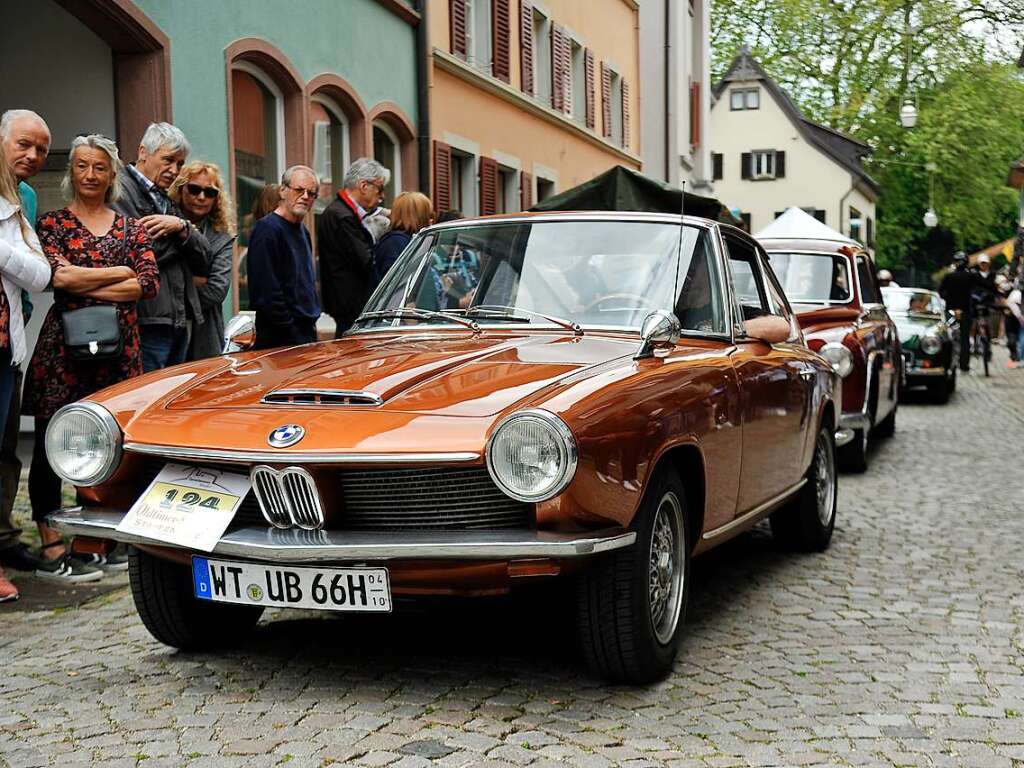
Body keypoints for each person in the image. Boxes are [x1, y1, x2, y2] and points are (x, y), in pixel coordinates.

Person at [26, 135, 158, 583]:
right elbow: (56, 277)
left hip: (120, 352)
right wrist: (118, 273)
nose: (89, 175)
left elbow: (146, 285)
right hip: (62, 350)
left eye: (98, 167)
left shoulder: (130, 227)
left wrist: (87, 281)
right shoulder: (53, 223)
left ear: (111, 174)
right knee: (54, 441)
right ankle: (52, 542)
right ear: (71, 172)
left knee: (115, 444)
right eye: (81, 166)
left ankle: (99, 538)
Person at [114, 122, 209, 372]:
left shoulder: (164, 197)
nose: (174, 170)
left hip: (176, 319)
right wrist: (185, 234)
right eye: (168, 160)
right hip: (147, 320)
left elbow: (204, 259)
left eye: (179, 163)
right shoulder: (121, 191)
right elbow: (141, 253)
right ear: (143, 152)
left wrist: (180, 226)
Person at [0, 109, 51, 578]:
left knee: (7, 447)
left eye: (40, 149)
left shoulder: (29, 196)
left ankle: (4, 536)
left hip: (12, 333)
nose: (33, 155)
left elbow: (37, 271)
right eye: (23, 144)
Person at [247, 165, 321, 349]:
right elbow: (266, 293)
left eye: (311, 193)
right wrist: (290, 331)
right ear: (283, 190)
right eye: (299, 190)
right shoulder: (267, 229)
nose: (305, 196)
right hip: (279, 337)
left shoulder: (303, 231)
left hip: (304, 332)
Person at [169, 162, 236, 360]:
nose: (201, 197)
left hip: (205, 333)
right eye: (194, 189)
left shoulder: (221, 236)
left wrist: (179, 290)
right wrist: (194, 281)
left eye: (210, 192)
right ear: (181, 190)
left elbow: (217, 289)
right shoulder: (165, 223)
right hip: (166, 331)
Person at [317, 158, 389, 336]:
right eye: (380, 189)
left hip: (348, 305)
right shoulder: (343, 216)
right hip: (351, 306)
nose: (382, 196)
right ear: (364, 186)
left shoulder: (341, 213)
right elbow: (365, 260)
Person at [939, 251, 990, 372]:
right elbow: (984, 286)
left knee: (946, 335)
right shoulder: (971, 276)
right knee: (964, 338)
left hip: (951, 311)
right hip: (966, 311)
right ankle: (964, 364)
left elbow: (941, 292)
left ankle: (946, 362)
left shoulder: (949, 277)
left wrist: (951, 301)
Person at [372, 192, 432, 288]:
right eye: (428, 215)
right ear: (418, 216)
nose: (431, 220)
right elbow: (395, 285)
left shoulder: (403, 240)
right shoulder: (396, 243)